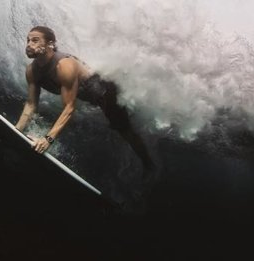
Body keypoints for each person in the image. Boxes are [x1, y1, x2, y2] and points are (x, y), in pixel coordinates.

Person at [14, 25, 154, 172]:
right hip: (86, 94)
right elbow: (30, 104)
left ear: (50, 44)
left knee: (124, 130)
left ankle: (148, 164)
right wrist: (17, 131)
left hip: (104, 92)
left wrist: (47, 139)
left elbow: (69, 107)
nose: (29, 44)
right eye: (28, 40)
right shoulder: (31, 71)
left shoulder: (64, 65)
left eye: (35, 40)